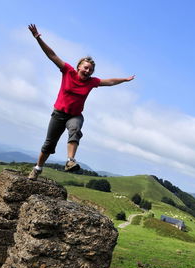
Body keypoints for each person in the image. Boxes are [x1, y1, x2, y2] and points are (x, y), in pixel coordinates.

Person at [27, 24, 135, 180]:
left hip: (75, 115)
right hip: (59, 114)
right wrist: (38, 38)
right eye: (86, 68)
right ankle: (37, 168)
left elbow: (109, 82)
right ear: (79, 67)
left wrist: (124, 80)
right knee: (49, 145)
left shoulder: (91, 82)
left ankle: (70, 161)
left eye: (91, 70)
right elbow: (52, 55)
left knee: (75, 130)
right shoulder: (68, 71)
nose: (88, 71)